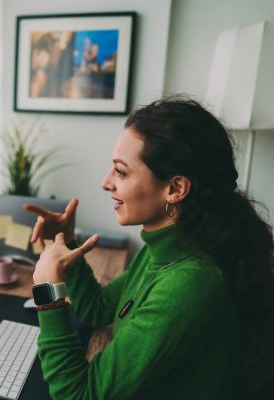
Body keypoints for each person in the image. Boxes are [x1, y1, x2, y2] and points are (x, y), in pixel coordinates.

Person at [24, 97, 274, 399]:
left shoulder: (190, 284)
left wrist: (48, 293)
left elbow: (79, 395)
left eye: (121, 172)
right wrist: (67, 242)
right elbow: (98, 309)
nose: (106, 182)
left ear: (175, 188)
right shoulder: (167, 248)